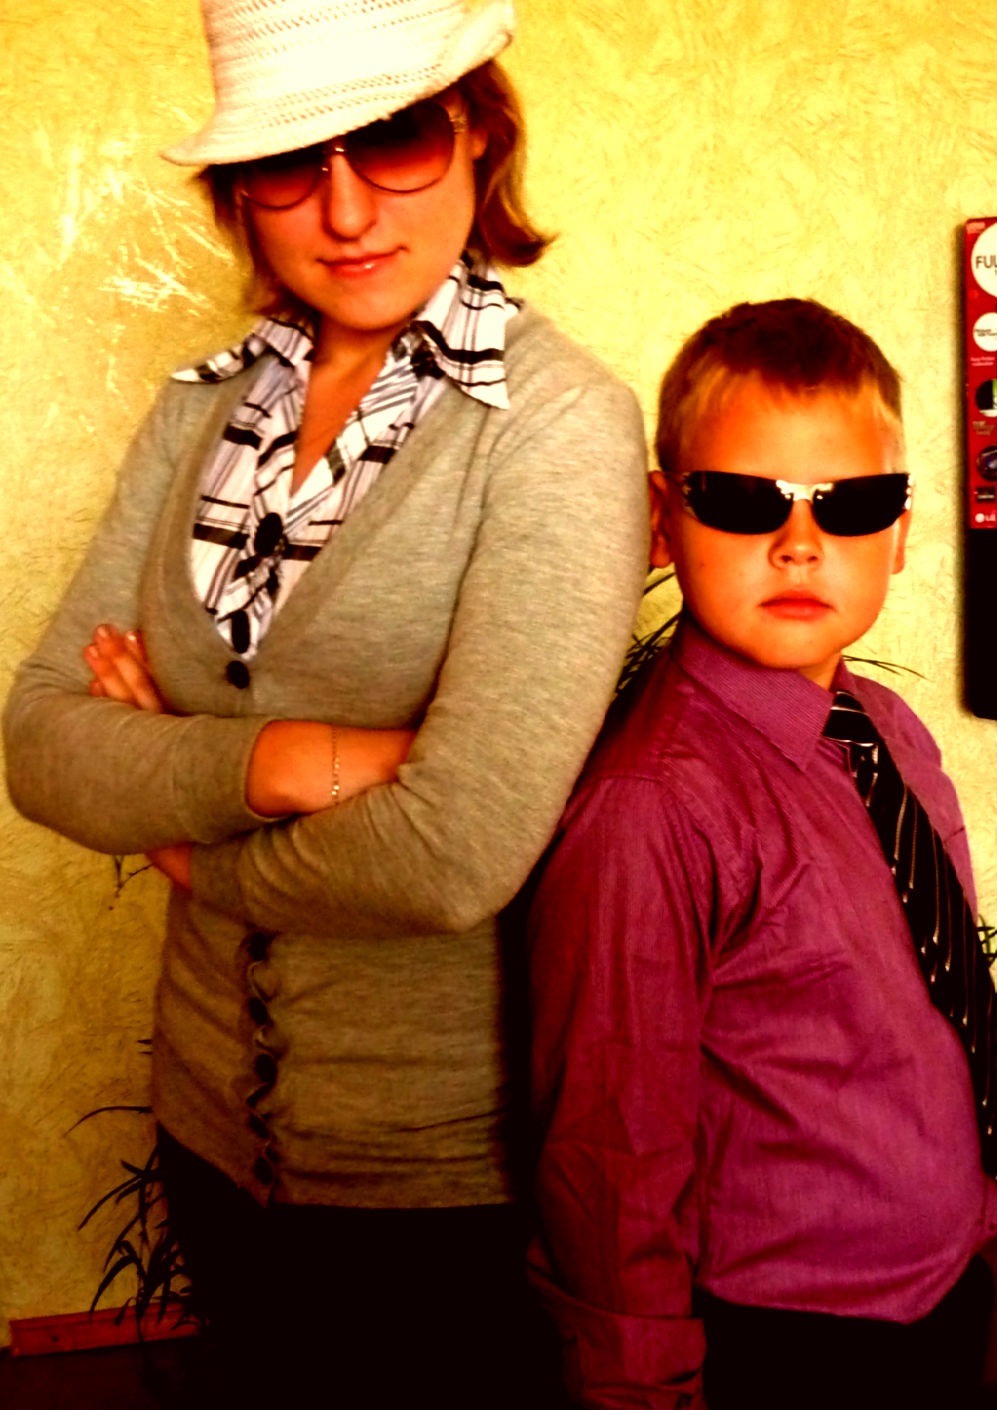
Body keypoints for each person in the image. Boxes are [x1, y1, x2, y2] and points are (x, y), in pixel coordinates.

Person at [2, 2, 649, 1405]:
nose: (344, 210)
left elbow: (456, 850)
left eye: (393, 137)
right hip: (204, 1125)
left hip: (438, 1182)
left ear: (477, 135)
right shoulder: (202, 410)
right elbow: (40, 736)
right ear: (242, 189)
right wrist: (297, 759)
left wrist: (183, 835)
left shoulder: (556, 427)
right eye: (291, 158)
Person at [527, 298, 997, 1410]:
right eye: (744, 501)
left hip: (947, 1283)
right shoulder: (649, 809)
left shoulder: (891, 733)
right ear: (661, 519)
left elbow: (938, 1007)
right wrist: (638, 1384)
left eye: (850, 504)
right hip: (789, 1340)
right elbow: (611, 1149)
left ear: (899, 532)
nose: (799, 544)